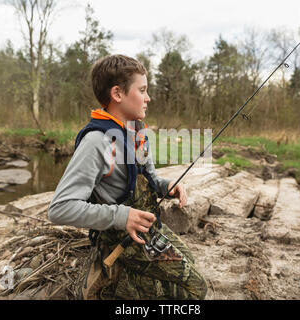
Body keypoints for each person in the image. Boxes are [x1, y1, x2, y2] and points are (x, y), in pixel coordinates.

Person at [47, 54, 207, 300]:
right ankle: (113, 289)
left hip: (145, 228)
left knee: (190, 261)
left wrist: (167, 186)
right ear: (118, 94)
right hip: (120, 236)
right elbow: (59, 208)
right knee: (195, 290)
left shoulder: (137, 131)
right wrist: (122, 216)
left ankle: (127, 275)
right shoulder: (96, 142)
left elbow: (149, 179)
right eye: (142, 90)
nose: (148, 98)